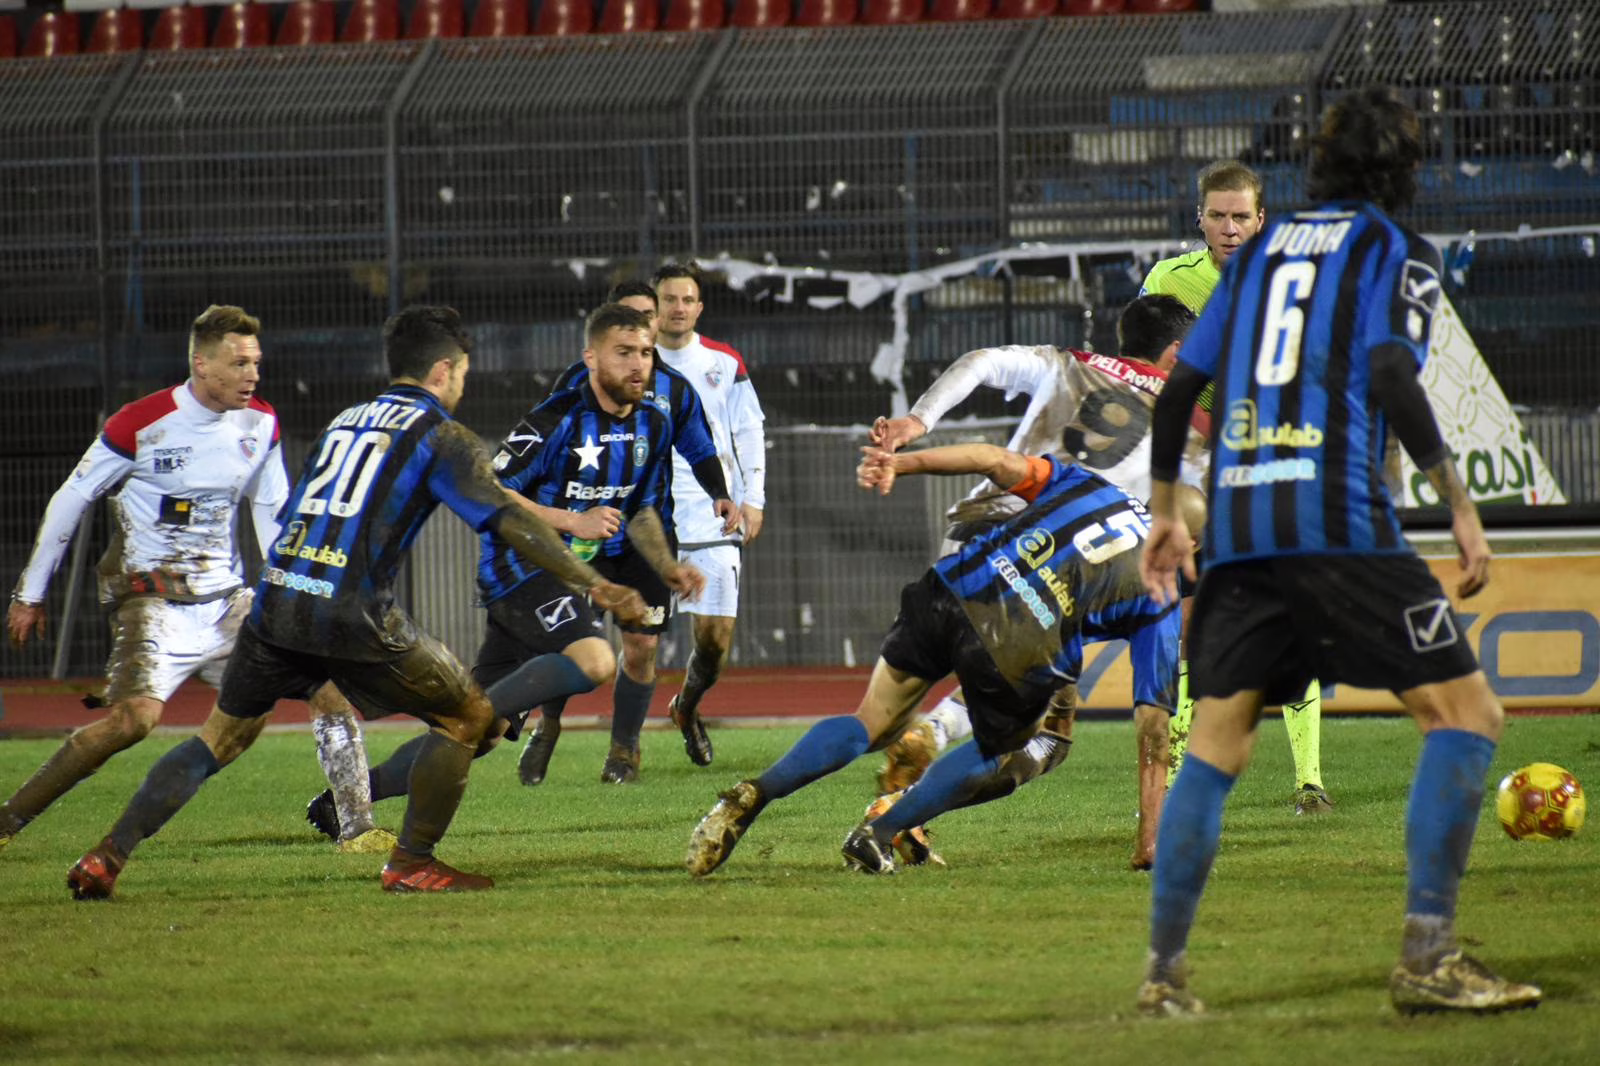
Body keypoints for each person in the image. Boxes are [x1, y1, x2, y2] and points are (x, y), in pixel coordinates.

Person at [1135, 87, 1539, 1016]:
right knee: (1467, 714)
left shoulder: (1258, 252)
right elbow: (1391, 367)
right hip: (1339, 518)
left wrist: (1164, 512)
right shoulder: (1397, 249)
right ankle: (1429, 954)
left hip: (1240, 527)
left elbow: (1179, 386)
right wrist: (1458, 500)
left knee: (1216, 746)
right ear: (1402, 170)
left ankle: (1163, 976)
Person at [65, 305, 647, 899]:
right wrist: (594, 582)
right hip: (351, 612)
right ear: (443, 370)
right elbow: (505, 519)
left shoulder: (347, 420)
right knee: (471, 718)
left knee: (217, 740)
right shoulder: (440, 434)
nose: (462, 386)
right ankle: (412, 862)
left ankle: (106, 856)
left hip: (278, 601)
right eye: (464, 374)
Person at [686, 442, 1178, 879]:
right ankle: (881, 832)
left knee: (870, 723)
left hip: (955, 584)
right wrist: (1150, 842)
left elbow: (990, 459)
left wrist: (903, 463)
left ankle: (755, 792)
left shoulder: (1092, 486)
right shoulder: (1163, 588)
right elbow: (1154, 728)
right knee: (1007, 749)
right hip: (1020, 641)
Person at [1, 305, 389, 856]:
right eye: (239, 363)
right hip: (151, 597)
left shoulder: (260, 423)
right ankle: (7, 821)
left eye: (256, 362)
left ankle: (357, 828)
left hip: (226, 600)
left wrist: (295, 589)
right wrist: (30, 594)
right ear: (202, 365)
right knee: (133, 722)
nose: (252, 375)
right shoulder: (141, 422)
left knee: (326, 686)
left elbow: (272, 513)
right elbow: (72, 498)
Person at [866, 294, 1208, 869]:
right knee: (1047, 737)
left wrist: (917, 422)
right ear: (1175, 353)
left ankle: (914, 790)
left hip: (974, 533)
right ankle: (924, 761)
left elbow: (979, 361)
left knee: (984, 685)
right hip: (1049, 567)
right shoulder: (1188, 429)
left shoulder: (1066, 362)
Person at [508, 283, 737, 784]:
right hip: (580, 539)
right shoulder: (571, 394)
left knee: (642, 646)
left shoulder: (670, 397)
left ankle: (624, 751)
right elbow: (522, 471)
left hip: (643, 534)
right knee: (572, 647)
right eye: (625, 336)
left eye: (645, 328)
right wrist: (568, 520)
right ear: (596, 350)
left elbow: (699, 448)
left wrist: (719, 494)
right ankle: (548, 723)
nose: (638, 350)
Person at [652, 263, 768, 768]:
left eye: (687, 300)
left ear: (699, 307)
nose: (678, 308)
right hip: (648, 516)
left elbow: (748, 430)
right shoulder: (635, 359)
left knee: (715, 642)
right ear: (655, 306)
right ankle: (620, 750)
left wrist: (754, 498)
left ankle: (687, 706)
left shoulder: (724, 361)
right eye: (669, 299)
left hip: (712, 513)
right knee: (637, 643)